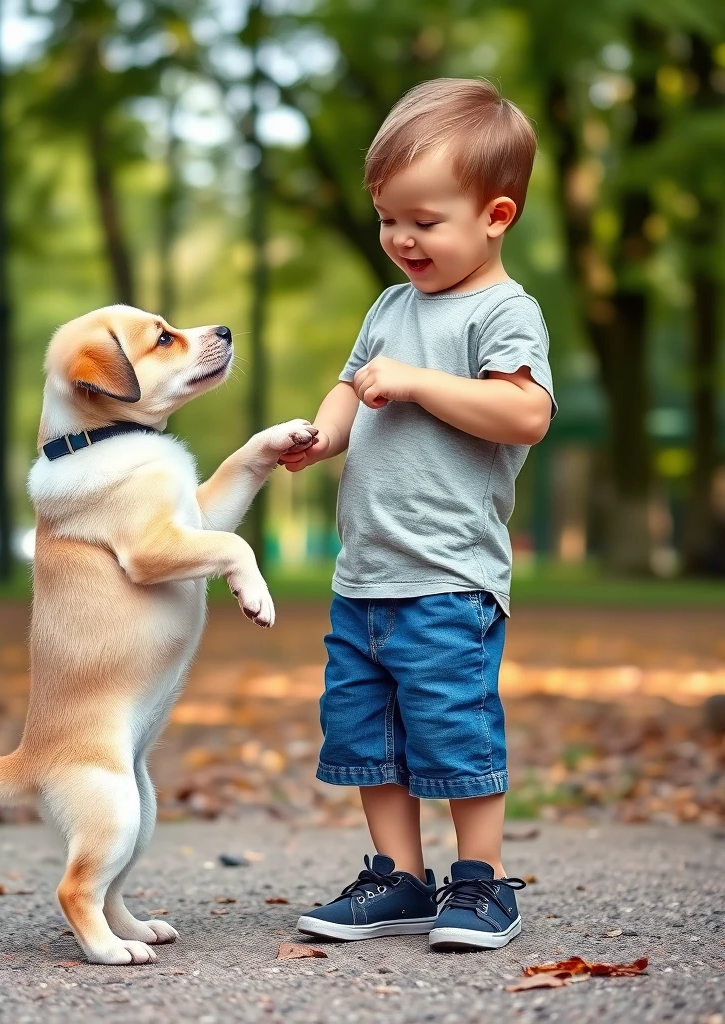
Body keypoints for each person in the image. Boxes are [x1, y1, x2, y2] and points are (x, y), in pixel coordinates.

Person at [280, 78, 556, 952]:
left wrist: (421, 383)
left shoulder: (503, 311)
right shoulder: (391, 307)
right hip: (365, 573)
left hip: (449, 577)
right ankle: (397, 876)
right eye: (387, 219)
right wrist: (325, 433)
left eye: (425, 221)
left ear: (496, 215)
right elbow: (349, 383)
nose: (402, 239)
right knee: (366, 733)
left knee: (454, 728)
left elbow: (527, 413)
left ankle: (482, 882)